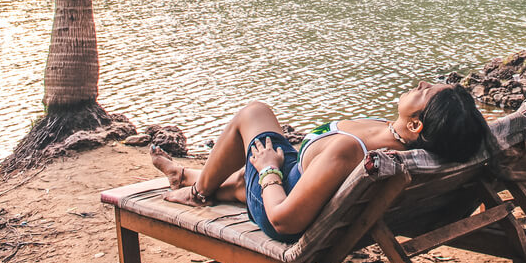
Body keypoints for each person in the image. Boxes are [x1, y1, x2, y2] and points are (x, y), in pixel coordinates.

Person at [150, 81, 489, 241]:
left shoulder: (351, 151)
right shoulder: (407, 144)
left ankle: (196, 191)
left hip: (281, 200)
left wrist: (269, 170)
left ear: (416, 125)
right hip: (305, 176)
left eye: (425, 91)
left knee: (254, 113)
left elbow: (284, 220)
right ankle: (187, 174)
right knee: (244, 174)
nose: (421, 84)